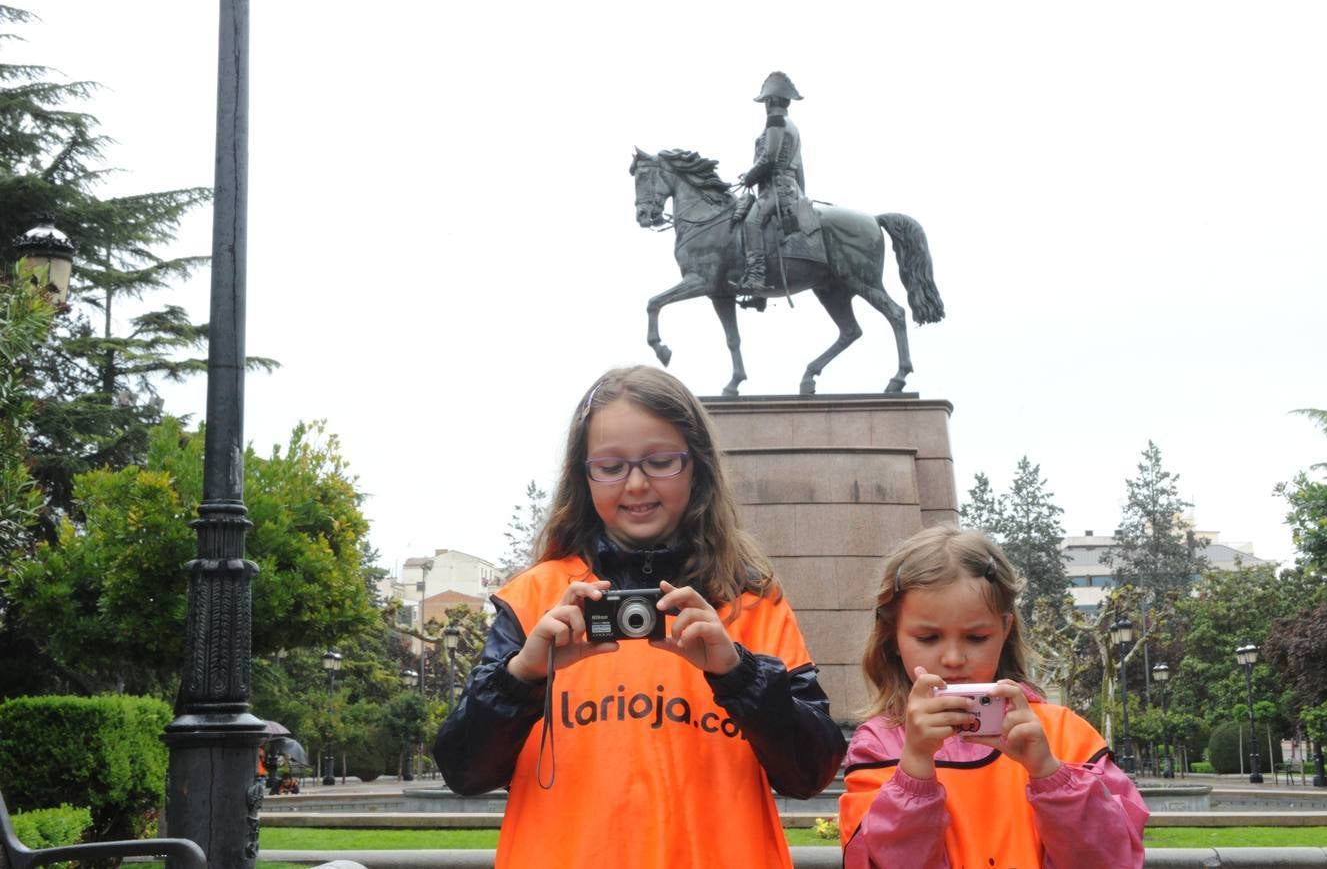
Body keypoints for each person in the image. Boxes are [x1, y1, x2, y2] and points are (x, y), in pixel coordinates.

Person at [434, 365, 844, 869]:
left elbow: (812, 771)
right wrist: (522, 675)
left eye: (660, 461)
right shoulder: (535, 597)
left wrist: (738, 674)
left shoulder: (749, 599)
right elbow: (464, 771)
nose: (635, 484)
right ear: (582, 477)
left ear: (697, 466)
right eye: (610, 466)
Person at [839, 526, 1148, 868]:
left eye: (976, 637)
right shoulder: (878, 743)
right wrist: (914, 771)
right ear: (892, 637)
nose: (953, 658)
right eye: (928, 638)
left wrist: (1049, 773)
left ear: (1005, 630)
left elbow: (1111, 859)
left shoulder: (1064, 735)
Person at [732, 70, 820, 292]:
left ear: (770, 100)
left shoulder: (775, 120)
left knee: (752, 222)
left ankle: (756, 278)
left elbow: (770, 158)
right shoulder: (792, 126)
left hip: (776, 189)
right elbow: (800, 167)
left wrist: (751, 176)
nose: (765, 104)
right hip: (789, 188)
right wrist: (801, 195)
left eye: (766, 100)